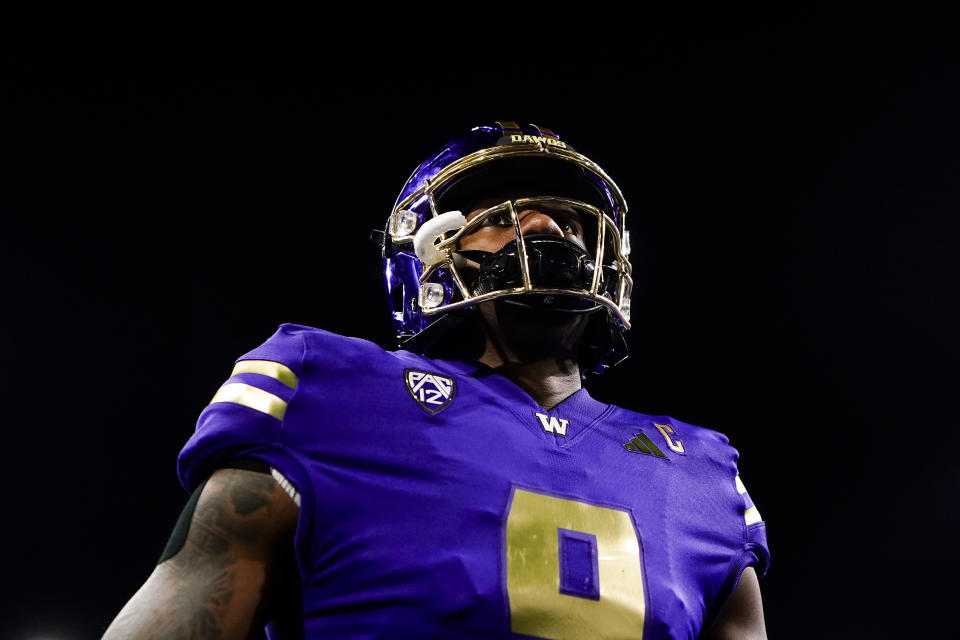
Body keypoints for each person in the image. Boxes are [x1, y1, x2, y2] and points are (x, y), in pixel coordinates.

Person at [104, 121, 769, 639]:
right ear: (425, 259)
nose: (545, 227)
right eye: (501, 217)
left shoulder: (702, 478)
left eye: (567, 219)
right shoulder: (329, 392)